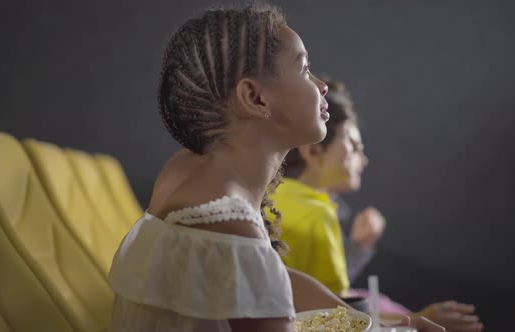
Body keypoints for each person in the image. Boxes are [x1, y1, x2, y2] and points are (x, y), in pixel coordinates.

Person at [107, 4, 443, 332]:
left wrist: (386, 323)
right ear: (255, 98)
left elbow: (272, 279)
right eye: (303, 68)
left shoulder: (187, 170)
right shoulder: (229, 224)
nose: (321, 85)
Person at [274, 78, 483, 332]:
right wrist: (415, 318)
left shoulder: (273, 197)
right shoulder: (317, 214)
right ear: (313, 151)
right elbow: (338, 313)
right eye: (352, 146)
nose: (363, 158)